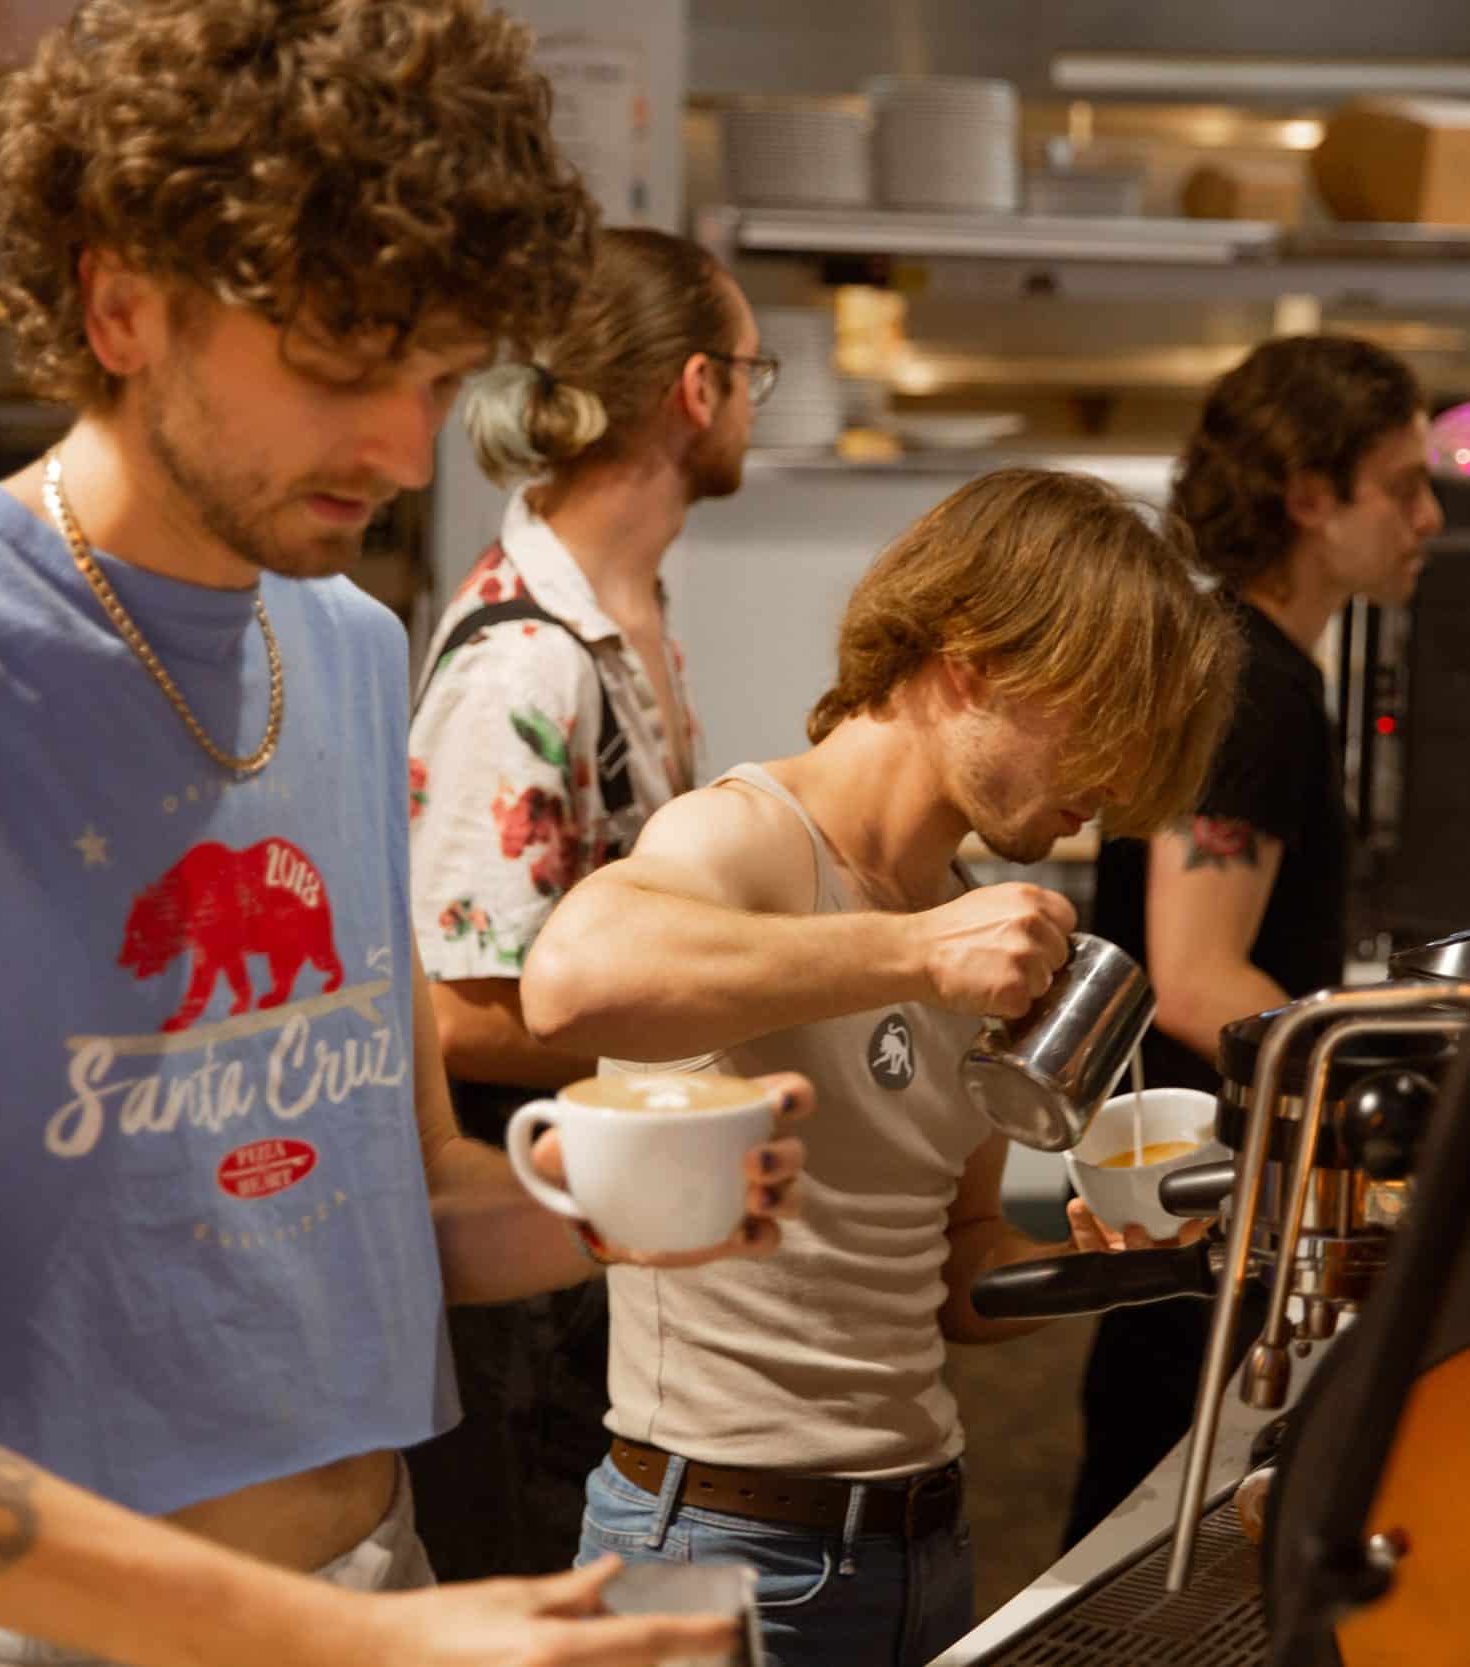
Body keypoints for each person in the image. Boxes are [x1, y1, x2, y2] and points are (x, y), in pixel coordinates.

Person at [0, 5, 810, 1666]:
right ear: (123, 301)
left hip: (381, 1570)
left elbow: (390, 1189)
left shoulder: (339, 648)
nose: (404, 450)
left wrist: (604, 1203)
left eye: (435, 375)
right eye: (344, 368)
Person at [517, 467, 1241, 1667]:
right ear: (971, 657)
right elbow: (569, 979)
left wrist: (1124, 1272)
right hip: (703, 1542)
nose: (1114, 785)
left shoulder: (965, 928)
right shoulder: (750, 836)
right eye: (1102, 726)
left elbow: (954, 1273)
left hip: (922, 1542)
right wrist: (912, 951)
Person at [405, 225, 775, 1580]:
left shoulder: (633, 616)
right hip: (513, 1213)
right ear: (694, 388)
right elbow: (454, 1015)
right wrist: (721, 1026)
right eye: (752, 371)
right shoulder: (525, 670)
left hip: (594, 1204)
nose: (753, 400)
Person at [1062, 333, 1444, 1550]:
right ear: (1309, 496)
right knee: (1146, 1563)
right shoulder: (1248, 685)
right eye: (1403, 484)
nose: (1431, 515)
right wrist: (1389, 1120)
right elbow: (1197, 976)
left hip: (1212, 1211)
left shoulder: (1264, 665)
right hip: (1208, 1222)